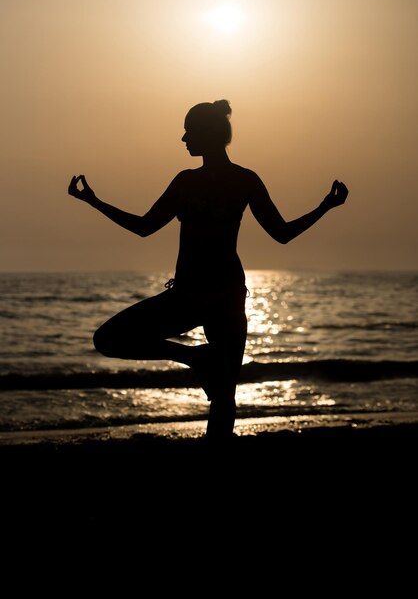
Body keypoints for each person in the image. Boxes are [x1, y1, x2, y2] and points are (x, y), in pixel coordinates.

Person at [68, 99, 348, 439]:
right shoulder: (241, 179)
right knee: (221, 390)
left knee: (113, 341)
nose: (183, 139)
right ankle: (197, 359)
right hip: (221, 294)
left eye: (189, 131)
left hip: (201, 296)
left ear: (207, 134)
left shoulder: (193, 181)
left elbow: (144, 227)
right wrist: (325, 207)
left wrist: (94, 201)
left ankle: (195, 362)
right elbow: (283, 234)